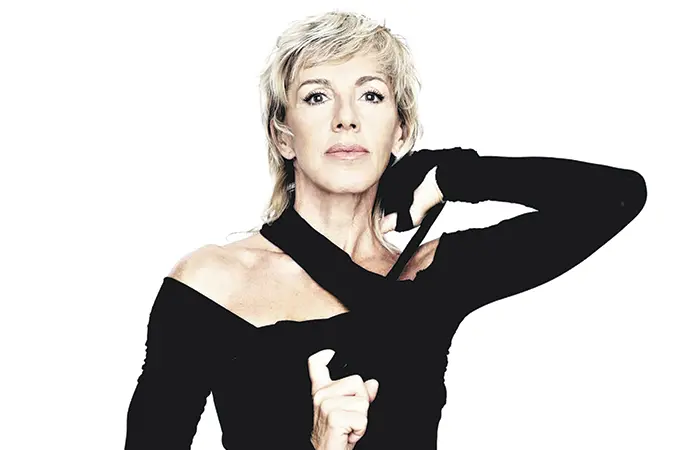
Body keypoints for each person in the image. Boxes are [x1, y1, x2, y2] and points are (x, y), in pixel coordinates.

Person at [124, 10, 647, 450]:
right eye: (317, 97)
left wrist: (452, 175)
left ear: (400, 130)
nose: (346, 118)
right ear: (284, 136)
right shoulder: (213, 282)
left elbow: (617, 197)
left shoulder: (431, 277)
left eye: (371, 96)